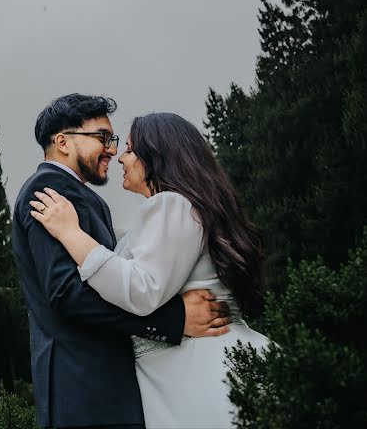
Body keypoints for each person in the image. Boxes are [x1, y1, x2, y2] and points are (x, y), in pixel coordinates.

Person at [30, 111, 269, 429]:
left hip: (193, 374)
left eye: (128, 149)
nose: (120, 158)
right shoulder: (188, 207)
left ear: (156, 155)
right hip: (192, 367)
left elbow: (142, 291)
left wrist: (70, 233)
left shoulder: (170, 205)